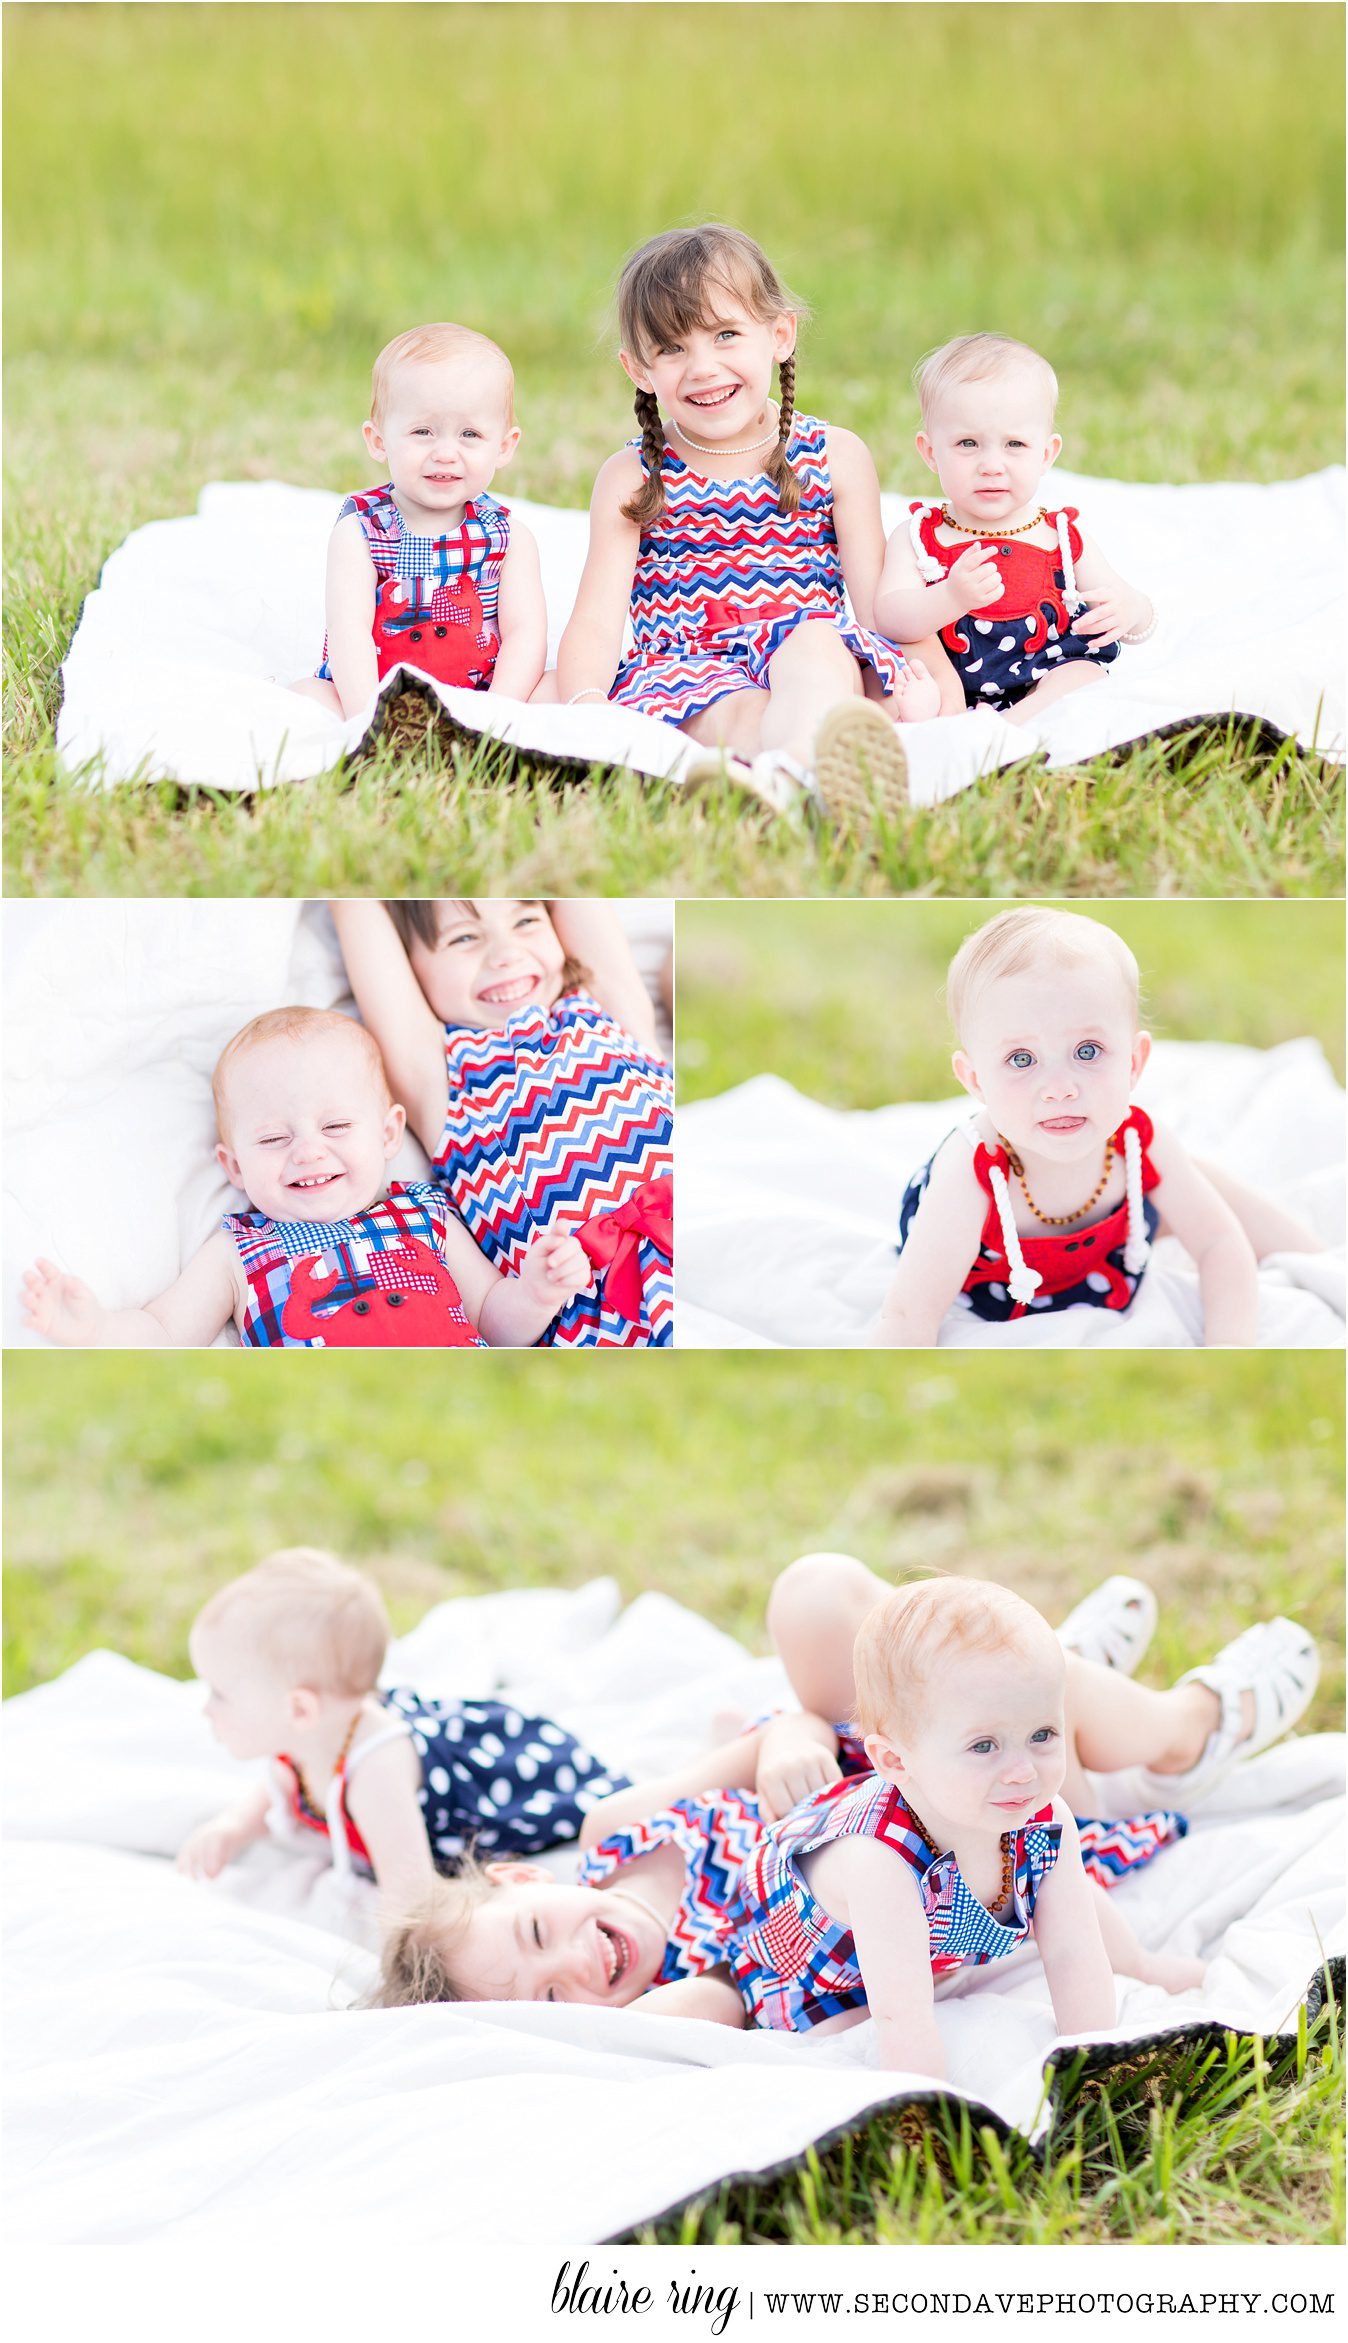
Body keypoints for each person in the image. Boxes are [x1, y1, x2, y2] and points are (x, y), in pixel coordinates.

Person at [373, 1560, 1317, 2061]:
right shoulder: (702, 1982)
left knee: (816, 1592)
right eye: (549, 1999)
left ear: (520, 1876)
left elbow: (757, 1742)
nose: (578, 1963)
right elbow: (668, 2030)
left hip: (876, 1743)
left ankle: (1040, 1665)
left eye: (538, 1929)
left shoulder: (616, 1825)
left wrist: (786, 1735)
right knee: (989, 1719)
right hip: (954, 1810)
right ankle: (1179, 1727)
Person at [176, 1546, 848, 1913]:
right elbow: (279, 1784)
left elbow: (412, 1896)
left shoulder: (373, 1772)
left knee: (619, 1818)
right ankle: (719, 1749)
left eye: (221, 1693)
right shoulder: (308, 1740)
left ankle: (721, 1755)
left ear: (299, 1708)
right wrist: (237, 1825)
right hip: (440, 1746)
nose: (207, 1708)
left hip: (510, 1785)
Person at [549, 222, 949, 829]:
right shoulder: (632, 475)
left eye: (725, 335)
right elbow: (598, 621)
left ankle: (794, 772)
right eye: (672, 349)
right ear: (637, 369)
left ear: (780, 335)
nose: (702, 368)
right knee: (734, 711)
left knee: (817, 652)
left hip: (810, 647)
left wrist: (940, 689)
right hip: (689, 665)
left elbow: (877, 605)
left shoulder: (834, 456)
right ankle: (801, 779)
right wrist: (586, 709)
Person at [879, 907, 1325, 1346]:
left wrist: (1230, 1346)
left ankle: (1322, 1259)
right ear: (976, 1080)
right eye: (1021, 1059)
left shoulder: (1138, 1143)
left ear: (1134, 1063)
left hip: (1119, 1229)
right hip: (993, 1265)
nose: (1059, 1089)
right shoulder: (974, 1172)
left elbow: (1220, 1244)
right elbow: (908, 1313)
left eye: (1087, 1051)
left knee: (1197, 1182)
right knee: (1180, 1177)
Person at [21, 1007, 589, 1348]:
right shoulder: (238, 1251)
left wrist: (537, 1291)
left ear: (389, 1134)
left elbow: (494, 1317)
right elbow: (165, 1334)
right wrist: (95, 1328)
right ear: (235, 1167)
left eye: (337, 1125)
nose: (308, 1154)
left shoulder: (427, 1214)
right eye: (274, 1139)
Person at [329, 898, 673, 1347]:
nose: (504, 954)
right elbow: (356, 911)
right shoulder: (443, 1077)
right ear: (411, 968)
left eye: (526, 921)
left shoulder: (609, 1011)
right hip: (602, 1315)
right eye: (464, 938)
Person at [875, 333, 1154, 723]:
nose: (991, 464)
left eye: (1015, 445)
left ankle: (1013, 724)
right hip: (952, 678)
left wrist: (1132, 611)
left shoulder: (1061, 537)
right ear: (930, 452)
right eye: (968, 443)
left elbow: (1130, 608)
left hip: (1046, 673)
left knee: (1084, 674)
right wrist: (950, 598)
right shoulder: (920, 537)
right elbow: (889, 616)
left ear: (1046, 454)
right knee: (904, 677)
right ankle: (933, 719)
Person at [292, 322, 546, 721]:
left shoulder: (509, 536)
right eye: (422, 431)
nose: (445, 452)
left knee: (558, 685)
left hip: (481, 694)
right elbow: (349, 632)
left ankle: (494, 728)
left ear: (504, 446)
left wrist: (497, 711)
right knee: (307, 698)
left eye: (470, 434)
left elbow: (525, 633)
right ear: (378, 441)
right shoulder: (362, 532)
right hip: (376, 692)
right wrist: (368, 716)